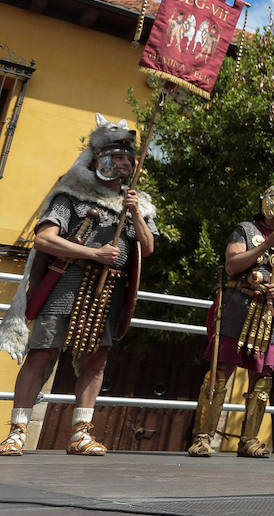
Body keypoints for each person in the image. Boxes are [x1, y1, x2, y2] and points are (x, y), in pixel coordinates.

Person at [0, 115, 157, 457]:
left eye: (128, 159)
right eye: (116, 157)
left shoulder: (138, 203)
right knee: (41, 354)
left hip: (105, 293)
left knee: (95, 361)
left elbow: (147, 249)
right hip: (65, 286)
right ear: (99, 159)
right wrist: (92, 252)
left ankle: (80, 434)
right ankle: (17, 432)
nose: (123, 164)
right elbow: (44, 239)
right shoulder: (72, 193)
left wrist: (134, 214)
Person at [187, 184, 274, 458]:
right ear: (267, 202)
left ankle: (249, 440)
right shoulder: (246, 230)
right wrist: (267, 245)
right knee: (220, 372)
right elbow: (233, 265)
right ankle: (203, 437)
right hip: (238, 307)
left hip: (271, 313)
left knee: (262, 378)